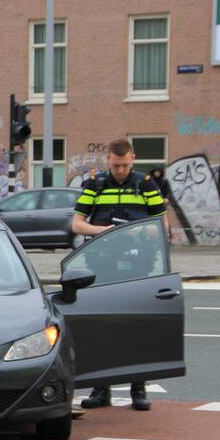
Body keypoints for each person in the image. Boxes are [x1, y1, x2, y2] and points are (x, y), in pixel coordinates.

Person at [71, 139, 166, 411]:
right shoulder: (95, 185)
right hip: (102, 265)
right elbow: (77, 223)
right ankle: (102, 389)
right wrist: (104, 232)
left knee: (137, 325)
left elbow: (161, 224)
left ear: (133, 159)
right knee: (101, 326)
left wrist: (138, 231)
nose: (121, 171)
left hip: (140, 267)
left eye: (125, 165)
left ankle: (139, 388)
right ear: (108, 161)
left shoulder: (146, 184)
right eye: (115, 165)